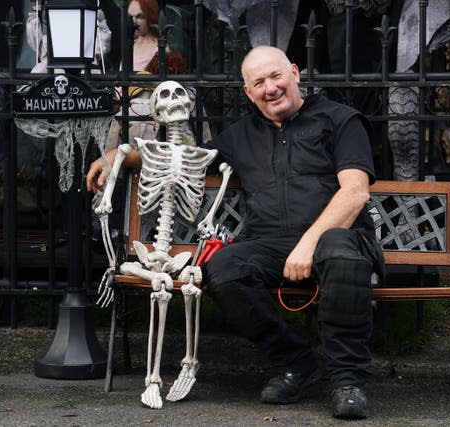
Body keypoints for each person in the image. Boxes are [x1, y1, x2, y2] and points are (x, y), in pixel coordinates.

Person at [86, 46, 383, 420]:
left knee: (338, 251)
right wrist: (117, 156)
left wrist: (309, 244)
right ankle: (297, 361)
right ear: (248, 92)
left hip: (340, 237)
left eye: (276, 76)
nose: (270, 88)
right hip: (271, 243)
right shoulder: (241, 136)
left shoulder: (340, 119)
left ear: (295, 73)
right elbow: (185, 158)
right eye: (258, 83)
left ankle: (348, 381)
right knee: (224, 269)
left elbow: (355, 191)